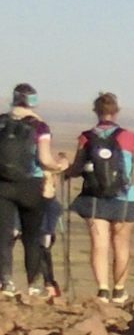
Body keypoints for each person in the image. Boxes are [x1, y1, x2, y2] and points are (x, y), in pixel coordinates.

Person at [68, 91, 134, 300]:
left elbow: (78, 167)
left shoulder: (87, 137)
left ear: (96, 112)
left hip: (94, 196)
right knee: (121, 244)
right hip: (124, 197)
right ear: (116, 112)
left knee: (99, 244)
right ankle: (119, 290)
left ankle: (103, 290)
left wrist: (64, 172)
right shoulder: (129, 137)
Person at [0, 85, 65, 301]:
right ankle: (34, 285)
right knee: (32, 235)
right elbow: (45, 160)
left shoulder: (1, 121)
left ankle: (6, 282)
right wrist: (60, 165)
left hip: (3, 184)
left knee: (4, 234)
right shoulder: (39, 127)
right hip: (31, 185)